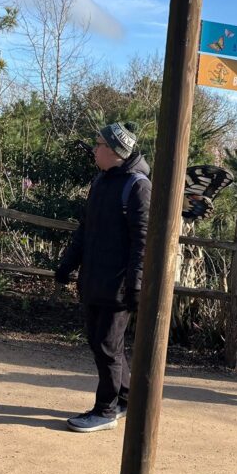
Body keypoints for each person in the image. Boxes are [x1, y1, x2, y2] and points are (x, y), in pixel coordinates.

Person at [55, 121, 151, 433]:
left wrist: (136, 284)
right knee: (101, 344)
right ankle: (126, 399)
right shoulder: (101, 181)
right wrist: (67, 265)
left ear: (113, 151)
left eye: (98, 144)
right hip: (94, 279)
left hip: (118, 285)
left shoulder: (137, 186)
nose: (94, 149)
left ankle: (105, 411)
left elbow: (143, 241)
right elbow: (85, 229)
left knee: (108, 346)